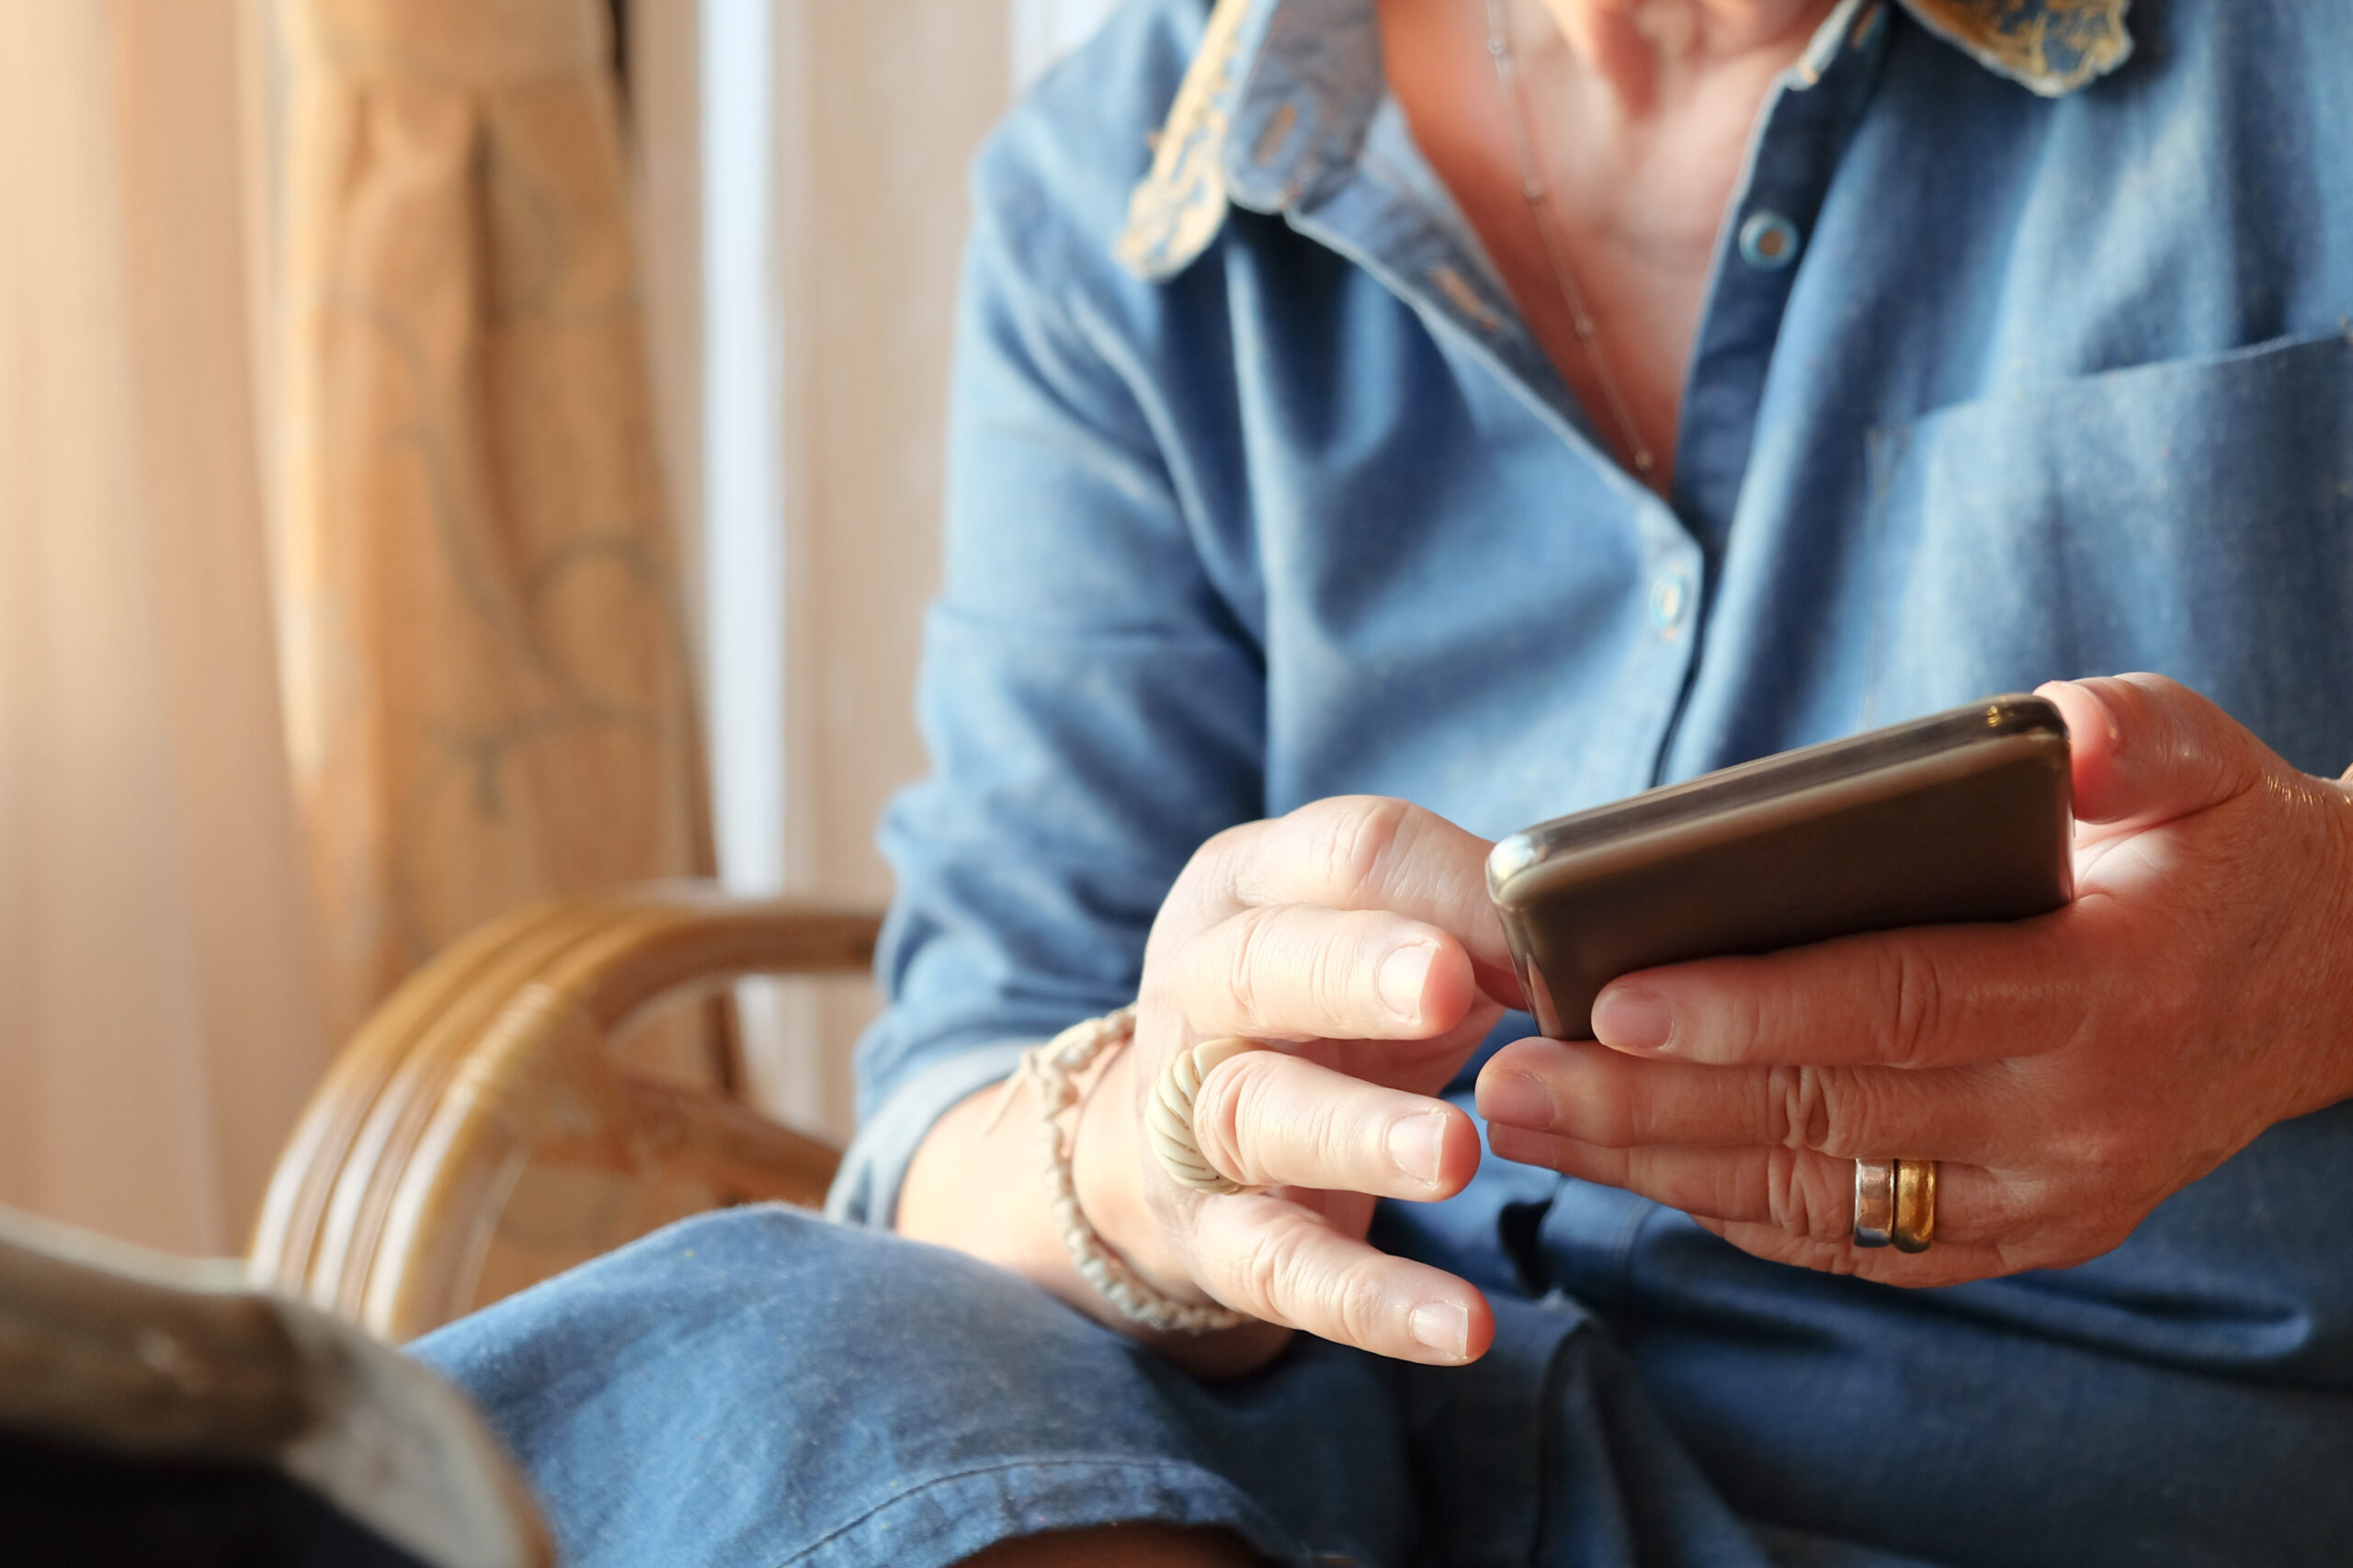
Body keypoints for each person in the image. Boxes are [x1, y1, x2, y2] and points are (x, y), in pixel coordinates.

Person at [415, 0, 2353, 1563]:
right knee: (755, 1341)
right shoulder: (1119, 191)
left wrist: (2315, 952)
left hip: (2091, 1480)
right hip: (1340, 1460)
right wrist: (1147, 1161)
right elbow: (962, 1084)